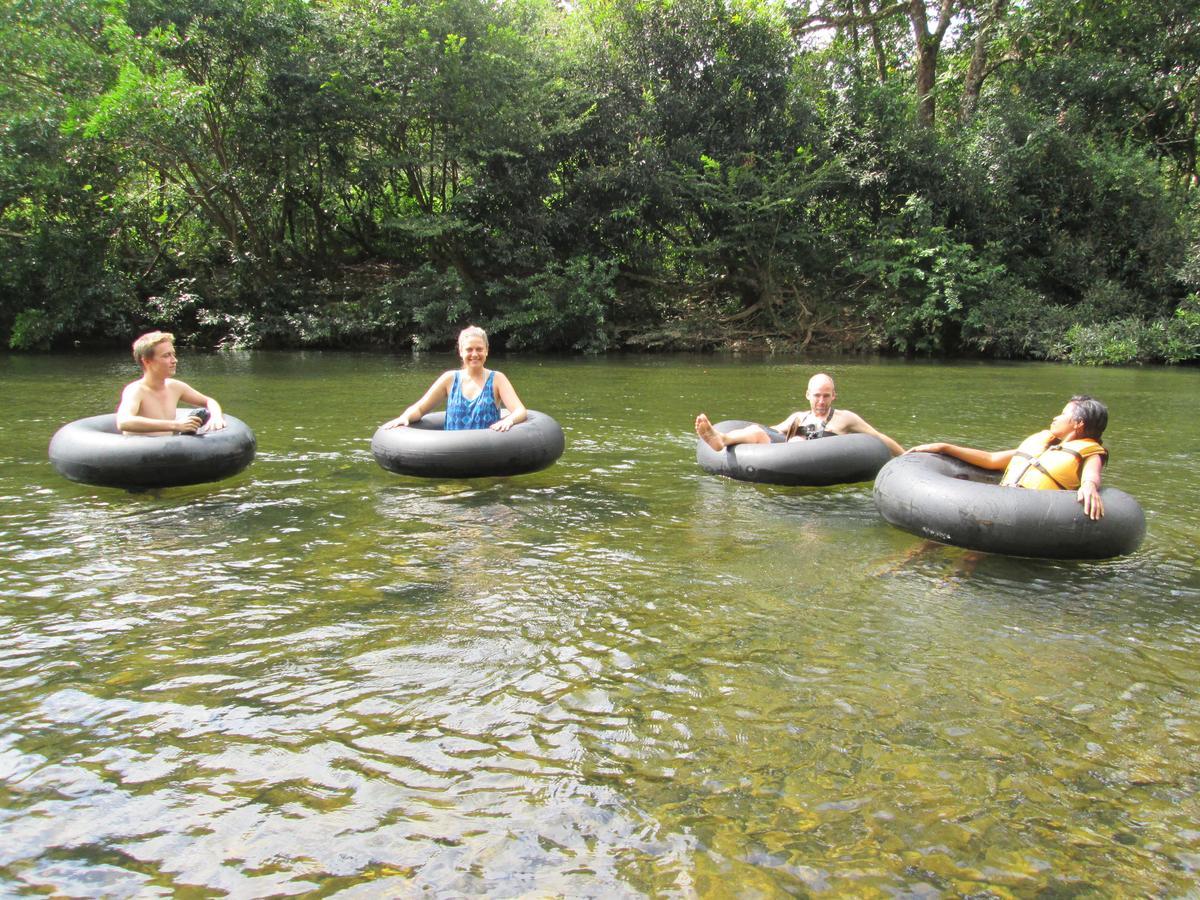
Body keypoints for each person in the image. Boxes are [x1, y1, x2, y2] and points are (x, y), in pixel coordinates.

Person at [907, 395, 1109, 520]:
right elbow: (991, 459)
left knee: (971, 554)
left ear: (1078, 423)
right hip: (1002, 501)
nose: (1055, 417)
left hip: (1028, 514)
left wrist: (1089, 486)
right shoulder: (1045, 446)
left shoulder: (1089, 453)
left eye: (1063, 414)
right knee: (934, 542)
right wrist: (944, 447)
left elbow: (1092, 473)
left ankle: (950, 582)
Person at [694, 372, 904, 456]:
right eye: (817, 396)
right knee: (757, 431)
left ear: (834, 397)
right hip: (789, 457)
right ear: (807, 395)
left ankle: (722, 438)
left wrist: (904, 455)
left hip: (824, 461)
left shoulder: (845, 418)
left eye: (826, 396)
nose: (821, 401)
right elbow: (771, 431)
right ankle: (721, 438)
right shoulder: (798, 418)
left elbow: (877, 437)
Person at [382, 325, 527, 432]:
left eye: (479, 349)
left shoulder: (497, 379)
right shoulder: (449, 379)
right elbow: (420, 409)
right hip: (454, 457)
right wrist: (404, 417)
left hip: (488, 453)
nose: (474, 354)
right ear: (461, 352)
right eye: (469, 349)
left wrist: (509, 420)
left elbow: (520, 410)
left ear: (487, 351)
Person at [116, 331, 226, 436]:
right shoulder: (135, 390)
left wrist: (216, 416)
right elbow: (124, 422)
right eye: (166, 356)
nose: (174, 360)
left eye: (173, 354)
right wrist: (176, 425)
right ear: (147, 361)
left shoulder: (175, 387)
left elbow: (209, 401)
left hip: (168, 449)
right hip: (140, 452)